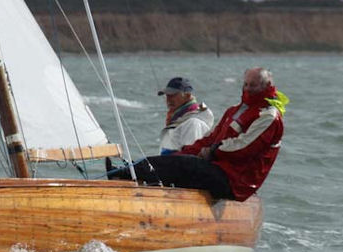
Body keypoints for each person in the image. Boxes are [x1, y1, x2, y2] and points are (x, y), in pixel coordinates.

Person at [109, 67, 288, 201]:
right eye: (246, 84)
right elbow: (210, 139)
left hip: (234, 182)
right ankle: (125, 172)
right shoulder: (235, 110)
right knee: (177, 161)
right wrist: (186, 152)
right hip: (219, 169)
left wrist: (212, 151)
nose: (248, 89)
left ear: (267, 86)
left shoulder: (269, 116)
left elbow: (244, 147)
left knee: (183, 165)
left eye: (253, 86)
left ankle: (122, 176)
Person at [157, 77, 214, 155]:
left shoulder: (193, 123)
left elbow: (191, 158)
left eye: (173, 95)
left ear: (187, 95)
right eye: (167, 96)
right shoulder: (178, 120)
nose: (168, 100)